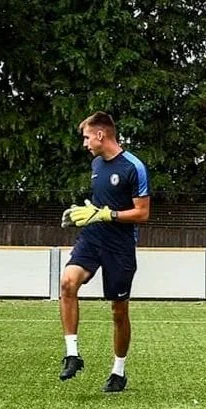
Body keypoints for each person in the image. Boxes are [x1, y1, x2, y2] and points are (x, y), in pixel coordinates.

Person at [58, 112, 150, 393]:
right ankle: (72, 355)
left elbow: (142, 213)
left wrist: (106, 214)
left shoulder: (134, 167)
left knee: (118, 311)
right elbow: (97, 206)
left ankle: (118, 372)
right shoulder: (96, 164)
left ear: (101, 135)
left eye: (87, 137)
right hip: (92, 237)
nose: (85, 143)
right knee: (67, 282)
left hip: (120, 246)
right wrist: (80, 214)